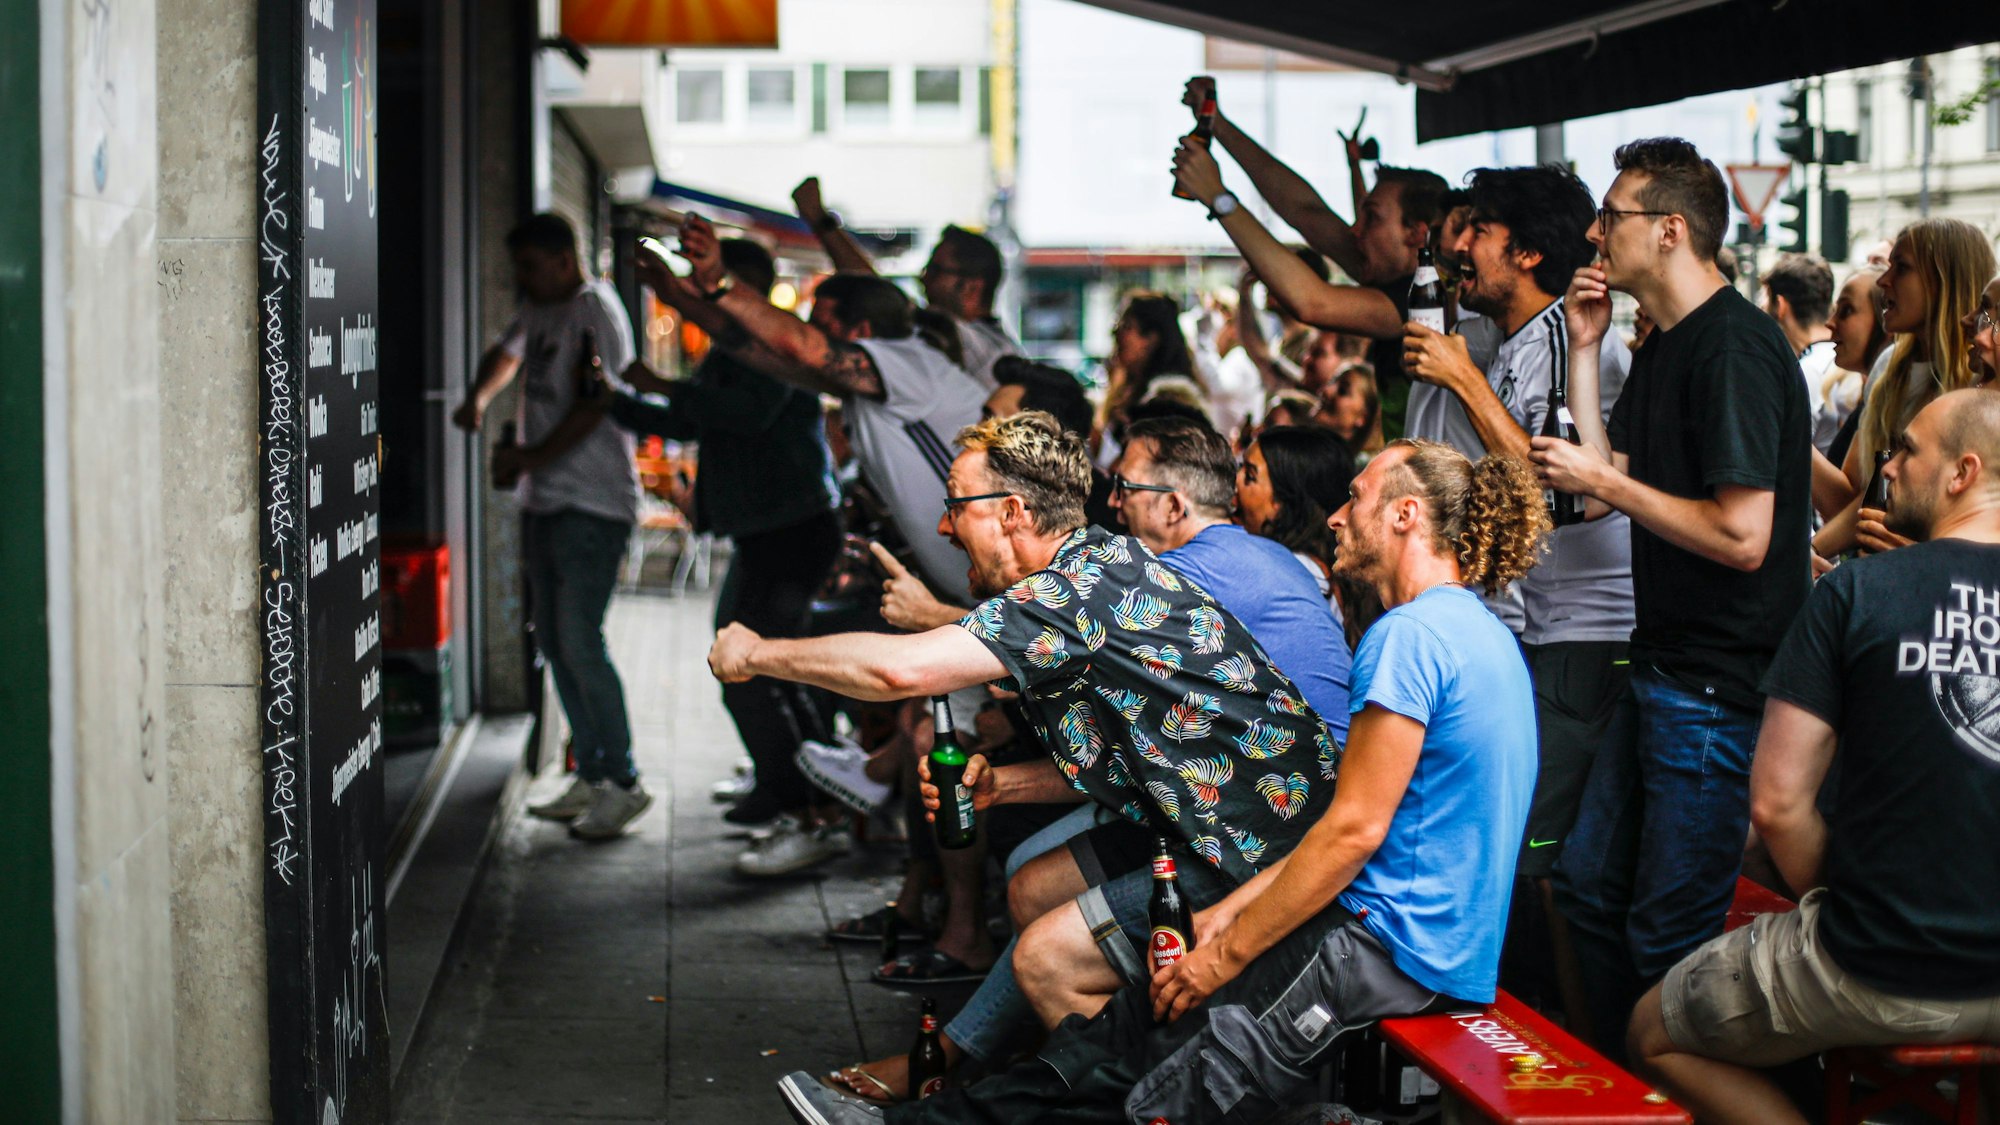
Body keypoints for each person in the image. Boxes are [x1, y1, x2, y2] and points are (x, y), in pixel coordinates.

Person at [774, 438, 1546, 1125]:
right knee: (1128, 1025)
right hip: (1409, 938)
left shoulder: (1408, 637)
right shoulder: (1480, 631)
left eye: (1357, 497)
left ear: (1408, 514)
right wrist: (1225, 922)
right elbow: (1369, 827)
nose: (1337, 516)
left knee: (1151, 1076)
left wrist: (1226, 945)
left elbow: (1355, 831)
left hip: (1386, 947)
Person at [716, 412, 1339, 1106]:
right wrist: (1004, 786)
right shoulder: (1095, 563)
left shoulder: (1075, 591)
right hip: (1217, 825)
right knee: (1034, 885)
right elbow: (1135, 755)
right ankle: (1010, 1075)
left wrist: (757, 654)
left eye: (956, 504)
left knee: (1047, 959)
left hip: (1267, 854)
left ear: (1012, 512)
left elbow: (902, 672)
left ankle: (1131, 1099)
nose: (946, 528)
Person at [1628, 390, 2000, 1125]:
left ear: (1962, 472)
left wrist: (1856, 897)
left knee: (1650, 1031)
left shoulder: (1859, 590)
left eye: (1907, 449)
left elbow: (1775, 804)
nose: (1887, 467)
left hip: (1875, 963)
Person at [1530, 138, 1813, 1054]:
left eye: (1610, 214)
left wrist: (1606, 485)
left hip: (1718, 690)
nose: (1594, 230)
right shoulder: (1664, 345)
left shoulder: (1733, 347)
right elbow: (1610, 470)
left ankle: (1677, 1096)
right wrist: (1584, 349)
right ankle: (1617, 1087)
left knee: (1667, 934)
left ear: (1670, 229)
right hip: (1664, 672)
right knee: (1579, 886)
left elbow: (1743, 536)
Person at [611, 237, 842, 831]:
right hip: (769, 532)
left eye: (706, 280)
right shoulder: (730, 349)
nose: (691, 290)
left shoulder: (770, 344)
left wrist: (660, 388)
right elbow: (694, 419)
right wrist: (617, 403)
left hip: (793, 530)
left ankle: (802, 799)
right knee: (753, 663)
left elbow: (743, 413)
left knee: (760, 667)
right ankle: (794, 784)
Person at [453, 213, 651, 839]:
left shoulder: (596, 313)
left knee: (578, 636)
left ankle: (622, 781)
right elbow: (505, 353)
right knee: (555, 640)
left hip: (592, 505)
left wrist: (529, 458)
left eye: (532, 267)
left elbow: (598, 406)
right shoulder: (541, 310)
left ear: (565, 259)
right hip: (546, 502)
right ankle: (590, 774)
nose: (524, 280)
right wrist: (479, 398)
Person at [1400, 163, 1628, 641]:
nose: (1460, 246)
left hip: (1591, 630)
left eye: (1478, 231)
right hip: (1544, 624)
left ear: (1527, 252)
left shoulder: (1571, 338)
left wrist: (1465, 380)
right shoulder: (1514, 339)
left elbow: (1571, 493)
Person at [1176, 77, 1449, 439]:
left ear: (1416, 232)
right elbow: (1306, 211)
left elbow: (1313, 302)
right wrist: (1219, 124)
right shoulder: (1389, 278)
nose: (1355, 230)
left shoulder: (1423, 302)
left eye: (1372, 218)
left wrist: (1219, 198)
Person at [1107, 416, 1352, 731]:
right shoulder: (1267, 553)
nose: (1112, 500)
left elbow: (1074, 631)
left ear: (1172, 506)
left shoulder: (1189, 569)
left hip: (1319, 771)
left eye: (1123, 487)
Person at [1814, 219, 1994, 559]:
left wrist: (1925, 553)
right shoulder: (1888, 369)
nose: (1884, 280)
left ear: (1943, 280)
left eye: (1903, 268)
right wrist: (1813, 552)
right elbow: (1863, 497)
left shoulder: (1980, 386)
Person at [792, 176, 1021, 389]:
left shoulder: (985, 349)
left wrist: (820, 220)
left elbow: (881, 298)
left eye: (935, 270)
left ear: (972, 286)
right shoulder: (990, 346)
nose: (924, 278)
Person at [1235, 425, 1375, 646]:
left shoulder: (1292, 574)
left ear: (1282, 502)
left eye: (1250, 476)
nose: (1236, 482)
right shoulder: (1313, 569)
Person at [1095, 291, 1199, 462]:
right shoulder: (1128, 390)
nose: (1116, 333)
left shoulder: (1170, 402)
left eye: (1127, 326)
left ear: (1152, 339)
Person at [1816, 268, 1889, 510]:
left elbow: (1845, 504)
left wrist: (1786, 424)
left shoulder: (1888, 397)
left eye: (1846, 311)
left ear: (1885, 318)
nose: (1831, 323)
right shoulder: (1867, 393)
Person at [1759, 253, 1839, 453]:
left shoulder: (1809, 371)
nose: (1762, 308)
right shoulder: (1836, 360)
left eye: (1766, 300)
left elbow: (1792, 455)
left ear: (1781, 306)